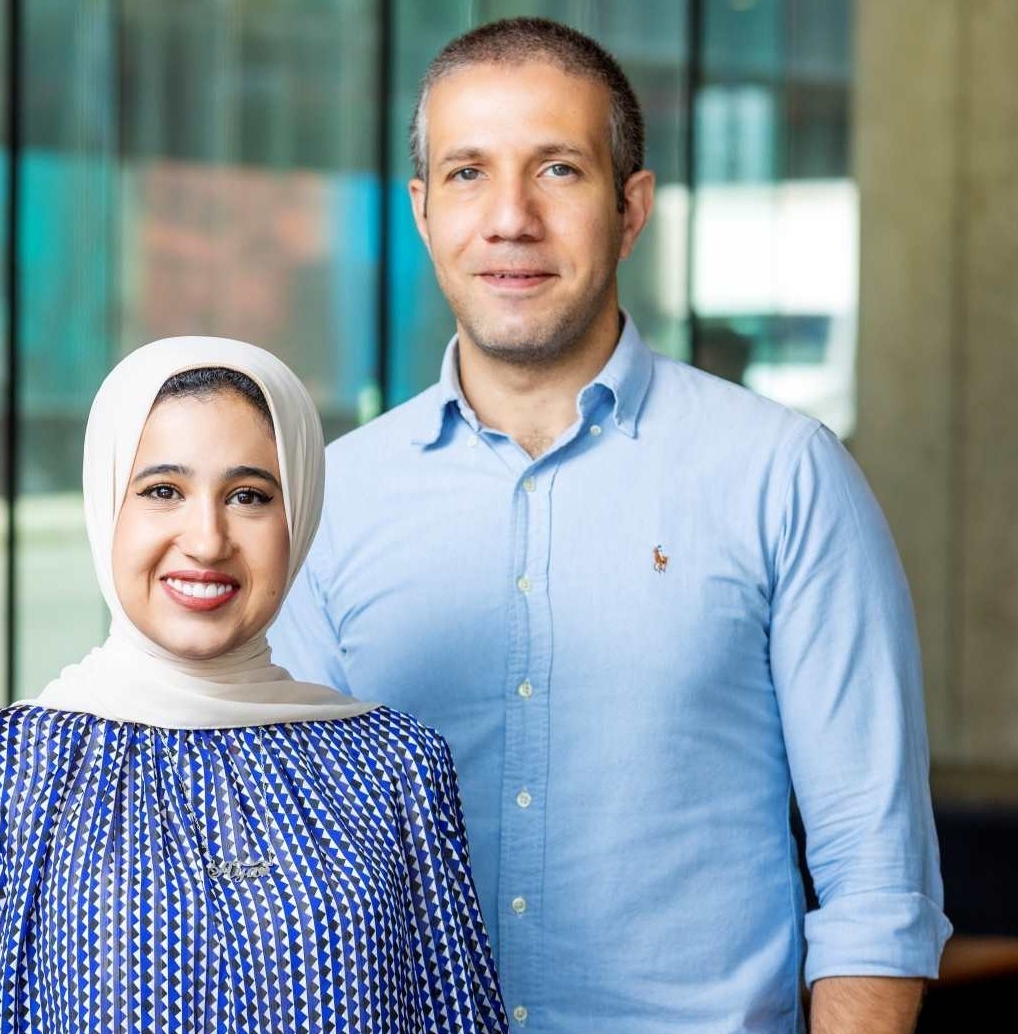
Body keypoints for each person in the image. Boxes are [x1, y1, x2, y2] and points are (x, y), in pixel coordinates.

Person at [270, 17, 951, 1034]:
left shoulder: (781, 474)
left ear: (631, 208)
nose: (509, 219)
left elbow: (874, 877)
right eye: (465, 174)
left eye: (557, 170)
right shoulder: (332, 498)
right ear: (419, 211)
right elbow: (290, 860)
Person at [0, 337, 506, 1033]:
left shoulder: (395, 767)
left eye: (249, 495)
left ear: (301, 518)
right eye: (163, 491)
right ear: (108, 502)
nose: (207, 539)